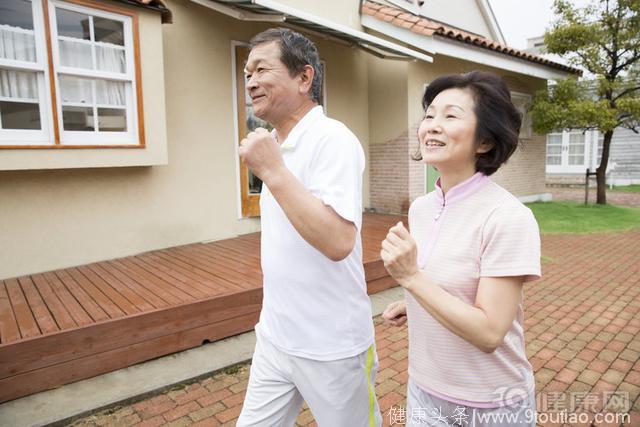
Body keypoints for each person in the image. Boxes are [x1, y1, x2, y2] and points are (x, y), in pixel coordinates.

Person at [236, 28, 381, 427]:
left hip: (333, 348)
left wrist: (272, 171)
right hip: (275, 339)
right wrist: (274, 165)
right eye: (246, 72)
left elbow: (338, 241)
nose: (249, 81)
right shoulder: (278, 146)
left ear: (304, 78)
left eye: (261, 69)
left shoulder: (333, 139)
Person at [380, 71, 541, 426]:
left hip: (492, 406)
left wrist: (412, 279)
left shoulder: (508, 217)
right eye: (429, 115)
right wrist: (415, 303)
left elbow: (489, 333)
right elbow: (448, 285)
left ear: (484, 141)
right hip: (424, 392)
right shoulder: (422, 208)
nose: (432, 126)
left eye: (450, 116)